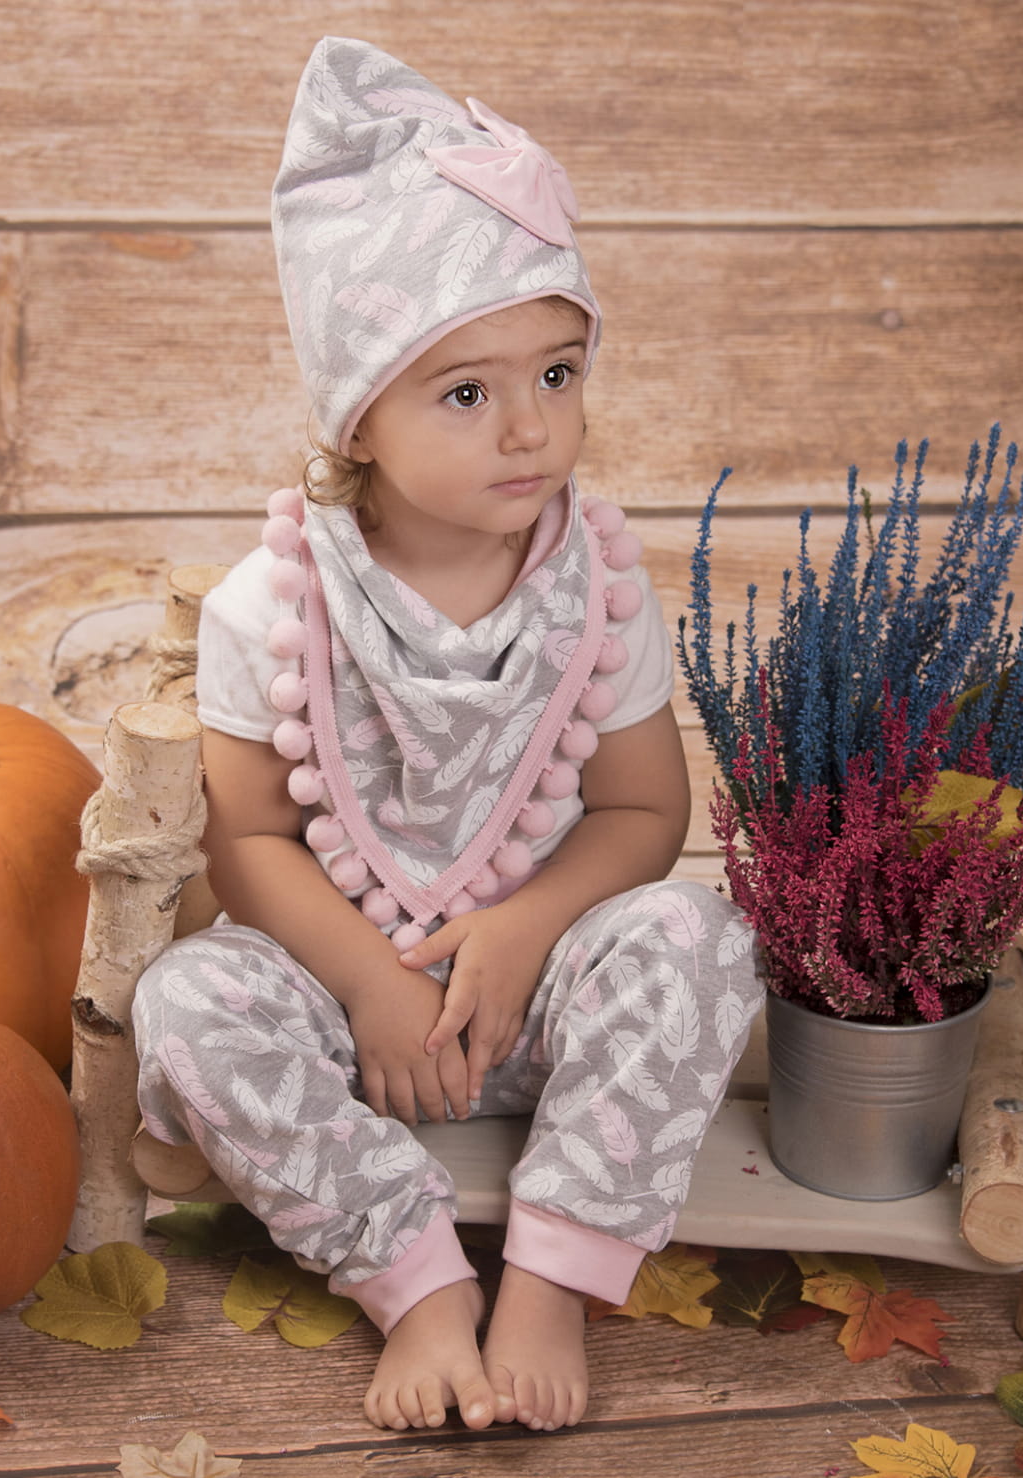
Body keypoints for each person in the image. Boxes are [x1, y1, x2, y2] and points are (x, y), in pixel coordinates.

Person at [131, 36, 763, 1435]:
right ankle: (409, 1277)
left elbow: (644, 813)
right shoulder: (273, 606)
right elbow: (249, 841)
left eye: (559, 373)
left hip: (533, 997)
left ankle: (550, 1274)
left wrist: (528, 929)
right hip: (345, 1006)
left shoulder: (598, 588)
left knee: (703, 939)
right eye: (467, 392)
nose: (529, 428)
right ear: (359, 418)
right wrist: (368, 984)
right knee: (187, 1003)